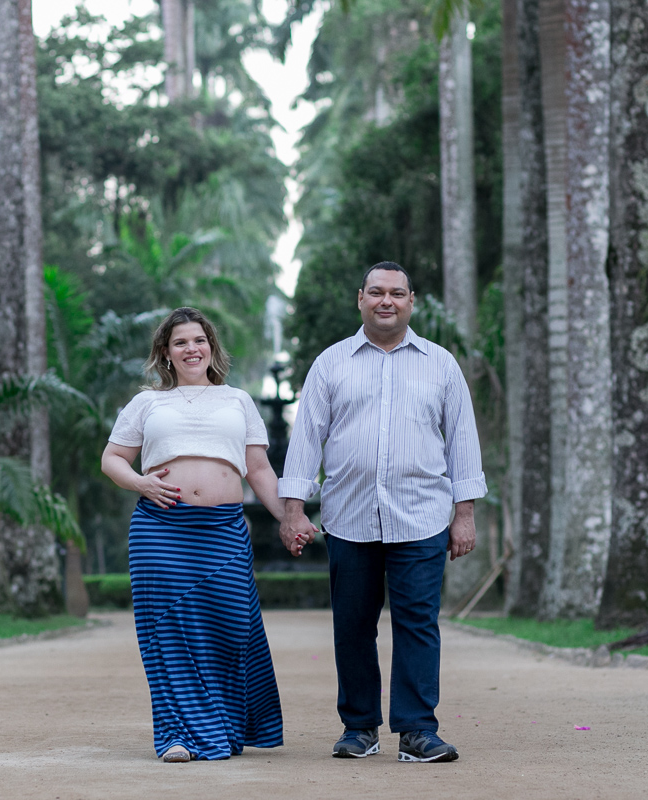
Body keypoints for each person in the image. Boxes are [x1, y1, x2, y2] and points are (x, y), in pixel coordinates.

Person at [278, 262, 487, 763]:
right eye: (376, 292)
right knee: (353, 623)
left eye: (396, 293)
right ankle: (359, 729)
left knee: (418, 621)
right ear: (361, 299)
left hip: (422, 516)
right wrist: (292, 511)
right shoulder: (331, 364)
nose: (386, 301)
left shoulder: (440, 364)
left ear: (411, 301)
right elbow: (306, 440)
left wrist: (465, 514)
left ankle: (417, 730)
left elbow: (462, 441)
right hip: (349, 517)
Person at [102, 307, 304, 763]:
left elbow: (258, 470)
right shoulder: (147, 403)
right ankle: (176, 734)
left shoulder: (238, 401)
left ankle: (224, 726)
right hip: (161, 528)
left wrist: (289, 518)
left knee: (231, 626)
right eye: (180, 343)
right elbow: (112, 458)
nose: (191, 349)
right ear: (165, 354)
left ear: (211, 347)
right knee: (167, 630)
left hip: (222, 530)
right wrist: (140, 482)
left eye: (199, 340)